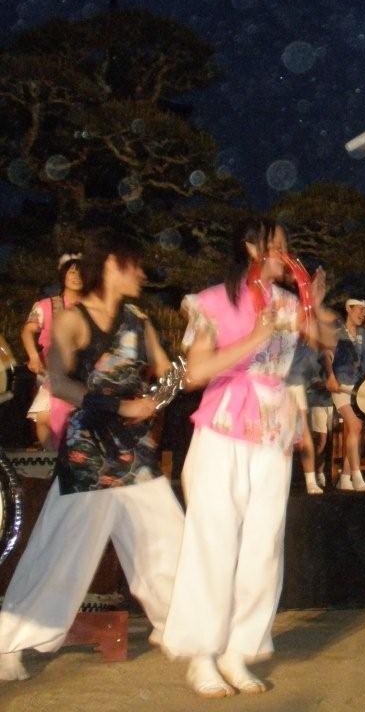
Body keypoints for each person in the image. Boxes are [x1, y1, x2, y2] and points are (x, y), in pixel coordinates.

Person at [0, 231, 184, 682]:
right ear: (112, 265)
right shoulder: (72, 320)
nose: (142, 274)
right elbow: (60, 383)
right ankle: (7, 640)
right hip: (89, 453)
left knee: (168, 537)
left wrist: (188, 367)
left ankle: (183, 626)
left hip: (134, 453)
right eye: (134, 264)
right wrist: (121, 406)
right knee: (61, 552)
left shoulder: (138, 320)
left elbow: (167, 372)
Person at [161, 217, 330, 697]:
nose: (284, 254)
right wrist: (255, 336)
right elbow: (194, 374)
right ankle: (202, 654)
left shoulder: (288, 303)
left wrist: (314, 300)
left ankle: (238, 651)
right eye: (276, 246)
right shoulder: (213, 301)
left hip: (272, 431)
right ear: (251, 248)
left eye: (287, 246)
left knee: (263, 544)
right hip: (223, 428)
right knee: (214, 540)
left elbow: (320, 344)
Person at [21, 253, 84, 448]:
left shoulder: (91, 308)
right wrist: (33, 357)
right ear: (63, 276)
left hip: (83, 371)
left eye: (81, 273)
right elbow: (27, 331)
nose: (77, 277)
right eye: (72, 272)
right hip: (51, 369)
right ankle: (53, 455)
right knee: (43, 417)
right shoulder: (46, 305)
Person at [326, 298, 365, 491]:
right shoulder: (337, 333)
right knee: (356, 425)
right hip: (342, 386)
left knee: (362, 429)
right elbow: (326, 355)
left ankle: (345, 478)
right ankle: (357, 476)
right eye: (359, 310)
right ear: (348, 309)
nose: (363, 314)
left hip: (361, 388)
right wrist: (330, 376)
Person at [286, 339, 329, 494]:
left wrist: (318, 380)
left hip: (294, 385)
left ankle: (310, 480)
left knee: (303, 434)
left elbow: (311, 366)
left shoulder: (303, 341)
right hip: (269, 385)